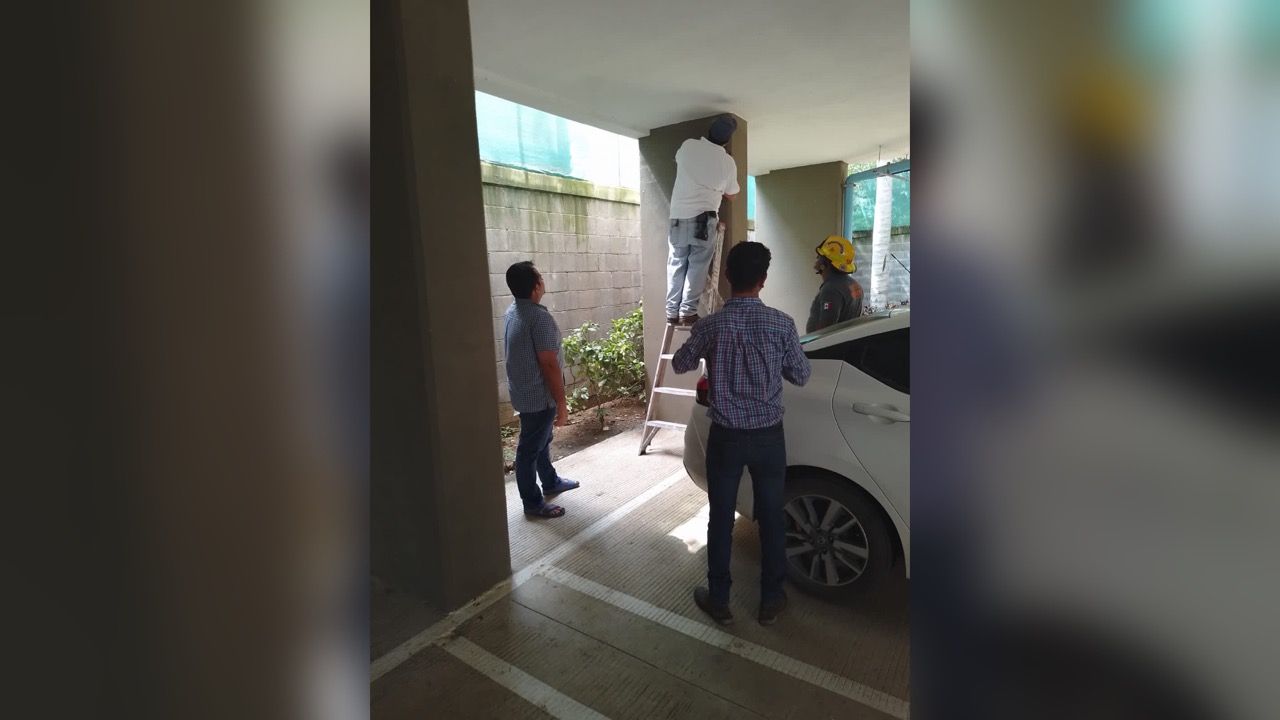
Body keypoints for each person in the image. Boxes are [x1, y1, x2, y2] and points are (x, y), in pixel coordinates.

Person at [672, 241, 811, 625]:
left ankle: (719, 599)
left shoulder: (711, 325)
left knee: (720, 518)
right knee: (771, 517)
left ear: (728, 276)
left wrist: (702, 344)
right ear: (763, 280)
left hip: (726, 437)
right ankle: (771, 600)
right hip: (768, 436)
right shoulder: (782, 324)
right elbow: (801, 375)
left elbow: (681, 364)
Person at [503, 261, 580, 519]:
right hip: (539, 397)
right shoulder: (539, 318)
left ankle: (550, 481)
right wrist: (562, 403)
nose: (543, 281)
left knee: (541, 440)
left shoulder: (512, 311)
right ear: (536, 286)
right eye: (541, 278)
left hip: (523, 393)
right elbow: (548, 364)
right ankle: (533, 503)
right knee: (528, 451)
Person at [666, 114, 741, 325]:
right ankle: (687, 312)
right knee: (697, 265)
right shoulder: (727, 162)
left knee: (676, 262)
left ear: (709, 131)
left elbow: (680, 161)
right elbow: (732, 195)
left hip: (678, 216)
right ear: (727, 139)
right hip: (703, 219)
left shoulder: (688, 146)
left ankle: (671, 311)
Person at [806, 235, 864, 333]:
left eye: (819, 257)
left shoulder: (831, 290)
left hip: (829, 343)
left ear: (825, 263)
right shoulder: (854, 284)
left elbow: (826, 330)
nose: (816, 258)